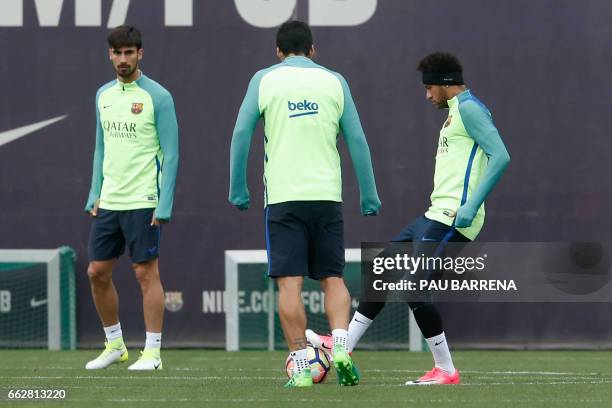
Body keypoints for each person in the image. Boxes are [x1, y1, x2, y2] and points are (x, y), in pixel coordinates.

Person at [307, 52, 510, 385]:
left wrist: (472, 206)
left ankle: (445, 370)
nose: (427, 95)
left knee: (415, 289)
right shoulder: (457, 112)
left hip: (453, 218)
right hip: (434, 214)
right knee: (382, 271)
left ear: (445, 84)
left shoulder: (470, 109)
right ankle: (342, 347)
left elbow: (501, 155)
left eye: (430, 87)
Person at [229, 20, 381, 387]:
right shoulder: (334, 81)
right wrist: (369, 193)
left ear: (278, 51)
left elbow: (241, 133)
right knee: (333, 279)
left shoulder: (264, 79)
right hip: (326, 196)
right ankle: (341, 346)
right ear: (313, 50)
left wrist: (238, 188)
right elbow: (357, 139)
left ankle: (300, 364)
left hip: (283, 198)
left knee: (289, 286)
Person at [84, 25, 179, 371]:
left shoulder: (159, 97)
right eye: (117, 53)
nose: (122, 60)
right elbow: (100, 148)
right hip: (109, 201)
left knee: (144, 273)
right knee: (96, 272)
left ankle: (152, 353)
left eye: (129, 53)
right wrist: (95, 192)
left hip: (144, 199)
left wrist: (164, 202)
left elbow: (171, 153)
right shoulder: (103, 95)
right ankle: (115, 345)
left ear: (140, 54)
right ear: (109, 55)